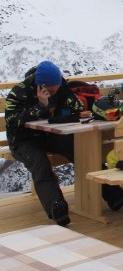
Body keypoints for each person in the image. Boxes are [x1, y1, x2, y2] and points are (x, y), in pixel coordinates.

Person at [5, 61, 83, 226]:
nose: (55, 89)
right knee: (40, 162)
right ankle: (57, 207)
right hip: (22, 140)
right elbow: (13, 121)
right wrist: (40, 106)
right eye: (52, 86)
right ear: (41, 84)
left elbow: (79, 106)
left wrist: (65, 93)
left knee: (79, 149)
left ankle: (113, 195)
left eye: (57, 85)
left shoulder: (60, 88)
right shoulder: (19, 92)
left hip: (48, 135)